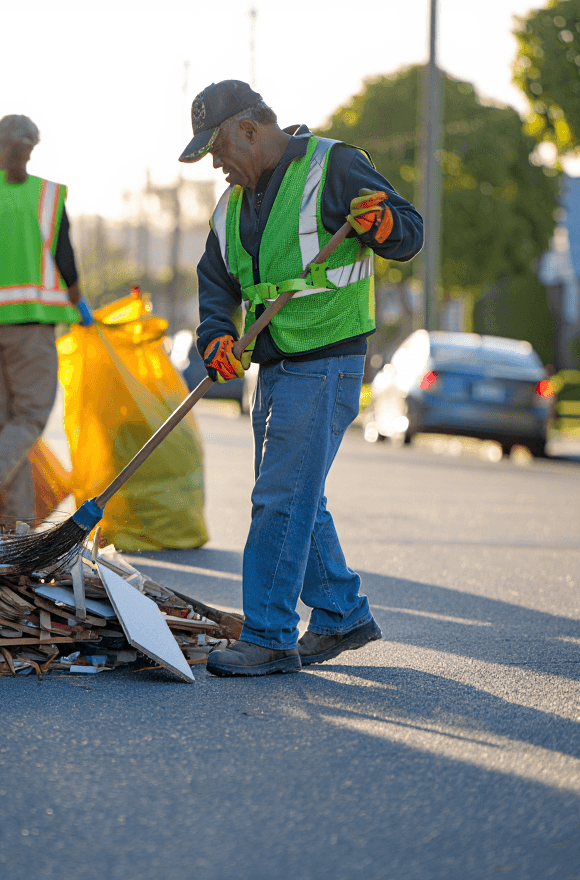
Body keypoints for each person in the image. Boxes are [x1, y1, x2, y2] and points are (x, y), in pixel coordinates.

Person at [180, 80, 423, 675]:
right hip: (274, 365)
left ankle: (268, 634)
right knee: (295, 495)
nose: (215, 162)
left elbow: (408, 233)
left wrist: (383, 223)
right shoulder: (231, 205)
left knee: (281, 496)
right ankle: (342, 614)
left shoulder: (333, 165)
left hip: (326, 360)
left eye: (216, 147)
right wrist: (215, 336)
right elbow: (216, 282)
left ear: (248, 128)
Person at [0, 114, 93, 524]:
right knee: (30, 419)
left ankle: (17, 528)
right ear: (29, 150)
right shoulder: (46, 196)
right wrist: (79, 304)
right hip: (30, 327)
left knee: (8, 427)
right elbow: (66, 258)